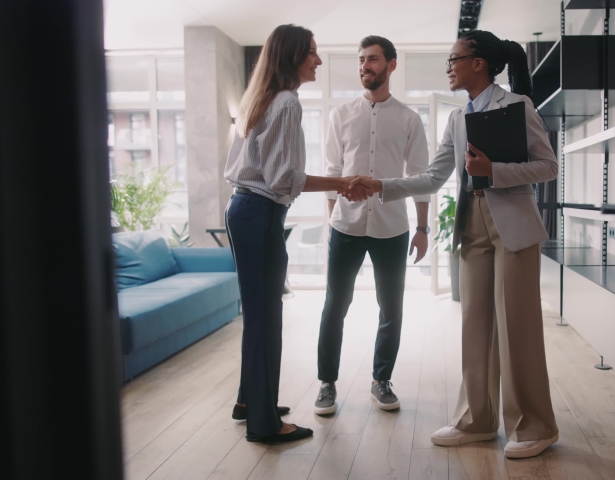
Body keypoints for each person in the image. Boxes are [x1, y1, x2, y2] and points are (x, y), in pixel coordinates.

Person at [352, 30, 560, 459]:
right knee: (476, 327)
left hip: (514, 227)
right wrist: (380, 185)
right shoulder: (457, 117)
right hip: (474, 225)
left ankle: (535, 426)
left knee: (516, 328)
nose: (448, 67)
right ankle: (477, 420)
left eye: (454, 59)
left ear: (478, 63)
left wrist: (494, 169)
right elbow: (432, 177)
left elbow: (548, 166)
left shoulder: (517, 106)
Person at [224, 24, 372, 443]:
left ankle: (250, 401)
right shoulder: (287, 102)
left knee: (257, 316)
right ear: (291, 55)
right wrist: (342, 182)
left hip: (242, 209)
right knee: (265, 319)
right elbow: (284, 177)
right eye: (311, 52)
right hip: (260, 214)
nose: (318, 61)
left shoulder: (259, 97)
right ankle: (265, 426)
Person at [313, 35, 430, 415]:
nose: (366, 66)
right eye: (362, 59)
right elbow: (331, 171)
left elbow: (420, 177)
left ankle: (381, 380)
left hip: (392, 228)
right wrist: (332, 218)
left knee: (391, 308)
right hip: (344, 227)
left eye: (374, 59)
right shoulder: (340, 115)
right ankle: (326, 383)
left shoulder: (410, 120)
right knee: (335, 305)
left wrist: (423, 227)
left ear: (391, 65)